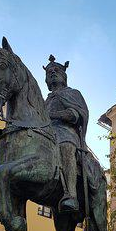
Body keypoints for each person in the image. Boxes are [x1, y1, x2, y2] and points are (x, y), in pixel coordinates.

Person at [43, 55, 89, 213]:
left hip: (66, 131)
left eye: (56, 70)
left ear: (64, 75)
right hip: (46, 131)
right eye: (49, 72)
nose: (52, 73)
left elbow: (75, 115)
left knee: (66, 147)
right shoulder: (45, 100)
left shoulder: (72, 93)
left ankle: (71, 195)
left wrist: (53, 116)